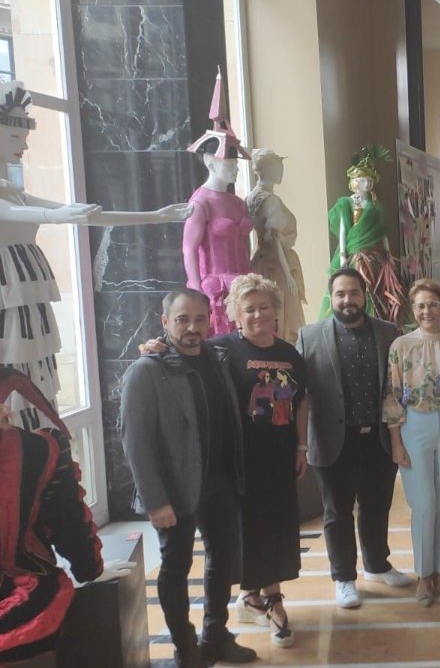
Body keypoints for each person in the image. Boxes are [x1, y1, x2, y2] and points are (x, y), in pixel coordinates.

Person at [0, 80, 189, 431]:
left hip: (26, 291)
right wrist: (57, 215)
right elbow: (20, 214)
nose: (23, 145)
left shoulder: (14, 191)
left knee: (31, 370)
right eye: (14, 136)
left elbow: (89, 215)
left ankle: (34, 446)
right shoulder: (12, 200)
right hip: (9, 291)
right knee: (11, 361)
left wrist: (155, 215)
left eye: (24, 136)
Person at [120, 289, 255, 667]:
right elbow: (135, 441)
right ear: (165, 321)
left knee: (223, 561)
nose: (192, 327)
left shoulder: (217, 357)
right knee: (176, 567)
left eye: (199, 319)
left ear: (210, 320)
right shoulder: (146, 371)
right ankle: (185, 648)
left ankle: (215, 637)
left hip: (221, 483)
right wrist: (155, 500)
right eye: (182, 319)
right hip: (175, 490)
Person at [297, 268, 413, 610]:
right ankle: (344, 577)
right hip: (333, 440)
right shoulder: (309, 336)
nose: (347, 300)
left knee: (377, 507)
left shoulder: (387, 332)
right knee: (337, 512)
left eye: (354, 293)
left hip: (378, 438)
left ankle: (377, 565)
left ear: (364, 295)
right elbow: (297, 391)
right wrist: (299, 443)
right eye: (340, 294)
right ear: (331, 297)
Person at [0, 368, 134, 664]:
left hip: (25, 587)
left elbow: (66, 518)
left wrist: (91, 569)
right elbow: (66, 519)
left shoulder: (38, 451)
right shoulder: (39, 449)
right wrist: (91, 569)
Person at [215, 274, 308, 648]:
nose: (257, 315)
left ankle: (252, 596)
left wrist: (301, 447)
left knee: (278, 525)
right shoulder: (221, 350)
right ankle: (272, 601)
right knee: (251, 527)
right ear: (236, 314)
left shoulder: (290, 354)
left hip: (280, 456)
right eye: (249, 309)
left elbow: (301, 402)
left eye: (264, 307)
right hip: (240, 459)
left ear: (275, 310)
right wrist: (155, 347)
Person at [383, 279, 440, 608]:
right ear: (413, 309)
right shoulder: (401, 345)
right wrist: (396, 442)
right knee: (423, 504)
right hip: (414, 424)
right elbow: (392, 394)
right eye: (420, 305)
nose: (427, 311)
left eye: (433, 304)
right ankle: (424, 574)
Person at [183, 71, 254, 336]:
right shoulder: (201, 202)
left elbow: (246, 244)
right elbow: (189, 248)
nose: (235, 168)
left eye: (236, 163)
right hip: (216, 290)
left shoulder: (238, 202)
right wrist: (196, 289)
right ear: (211, 162)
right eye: (229, 163)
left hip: (244, 284)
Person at [320, 145, 406, 325]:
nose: (366, 184)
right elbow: (343, 230)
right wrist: (343, 255)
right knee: (357, 285)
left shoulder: (375, 206)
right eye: (362, 180)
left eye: (369, 181)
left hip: (375, 256)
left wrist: (388, 253)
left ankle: (378, 321)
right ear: (355, 181)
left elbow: (381, 232)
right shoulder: (347, 203)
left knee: (377, 288)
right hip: (356, 255)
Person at [247, 148, 306, 343]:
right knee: (285, 313)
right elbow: (275, 239)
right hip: (278, 264)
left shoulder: (251, 197)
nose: (281, 170)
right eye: (278, 166)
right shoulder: (270, 200)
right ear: (267, 169)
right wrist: (287, 273)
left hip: (261, 260)